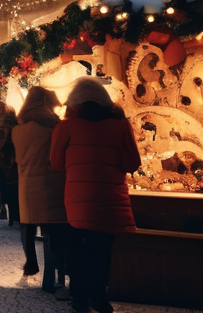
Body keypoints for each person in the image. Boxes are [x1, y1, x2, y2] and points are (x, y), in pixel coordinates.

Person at [51, 77, 140, 313]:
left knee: (78, 251)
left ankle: (79, 299)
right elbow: (133, 163)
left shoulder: (65, 127)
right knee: (102, 252)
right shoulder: (120, 126)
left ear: (75, 103)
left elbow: (57, 164)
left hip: (78, 203)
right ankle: (100, 299)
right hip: (110, 200)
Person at [14, 86, 68, 292]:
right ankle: (57, 275)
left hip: (26, 185)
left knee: (27, 226)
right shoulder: (54, 126)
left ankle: (31, 263)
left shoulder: (18, 128)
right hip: (51, 185)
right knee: (54, 233)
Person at [0, 100, 20, 227]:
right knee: (13, 188)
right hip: (13, 158)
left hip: (3, 158)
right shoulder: (15, 123)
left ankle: (8, 212)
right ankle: (13, 214)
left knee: (6, 188)